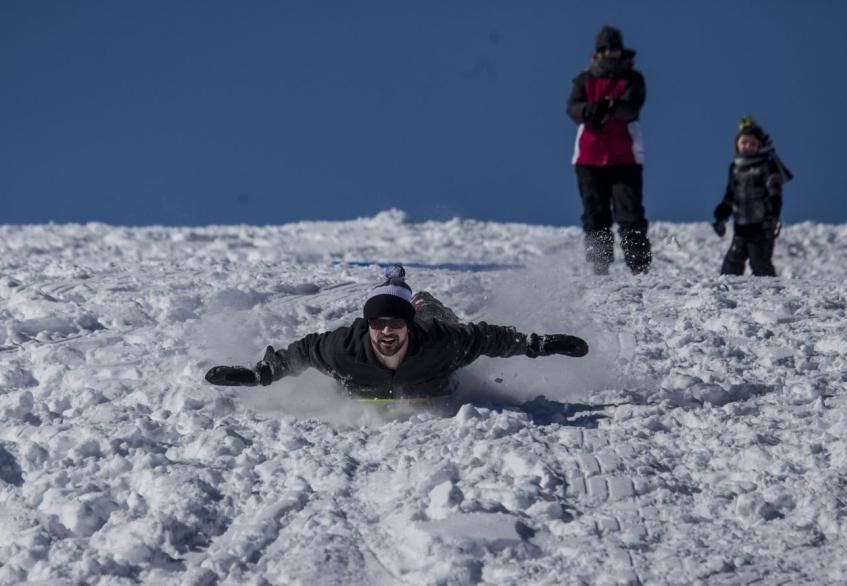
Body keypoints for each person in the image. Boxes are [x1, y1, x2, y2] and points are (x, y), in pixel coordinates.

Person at [204, 266, 589, 400]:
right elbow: (303, 352)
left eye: (395, 323)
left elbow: (487, 338)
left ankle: (419, 299)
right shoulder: (345, 349)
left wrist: (538, 345)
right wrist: (261, 374)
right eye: (378, 324)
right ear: (367, 325)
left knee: (438, 316)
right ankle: (401, 290)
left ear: (406, 325)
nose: (386, 331)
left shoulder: (439, 342)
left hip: (433, 354)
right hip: (369, 384)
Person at [566, 25, 651, 276]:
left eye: (613, 48)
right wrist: (589, 111)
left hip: (625, 157)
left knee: (630, 212)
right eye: (604, 49)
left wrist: (610, 107)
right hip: (589, 158)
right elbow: (572, 107)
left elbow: (632, 108)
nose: (609, 53)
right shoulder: (585, 79)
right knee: (595, 213)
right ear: (597, 52)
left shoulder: (632, 79)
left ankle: (638, 265)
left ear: (620, 50)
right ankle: (599, 264)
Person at [711, 116, 793, 277]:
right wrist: (721, 216)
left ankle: (771, 295)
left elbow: (774, 192)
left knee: (759, 261)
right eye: (744, 142)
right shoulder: (735, 168)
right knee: (732, 262)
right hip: (741, 226)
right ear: (737, 145)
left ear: (759, 146)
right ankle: (726, 293)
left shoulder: (766, 165)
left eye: (752, 143)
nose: (747, 146)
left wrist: (773, 215)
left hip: (761, 225)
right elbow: (730, 195)